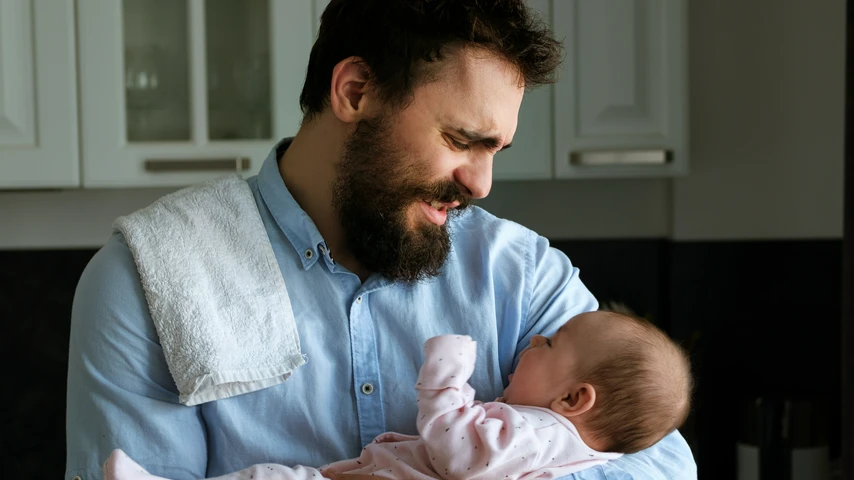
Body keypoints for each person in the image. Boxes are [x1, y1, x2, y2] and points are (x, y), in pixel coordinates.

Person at [65, 1, 697, 479]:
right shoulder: (149, 281)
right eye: (460, 140)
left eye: (496, 150)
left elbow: (656, 459)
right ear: (355, 92)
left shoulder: (522, 275)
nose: (481, 183)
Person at [103, 311, 693, 480]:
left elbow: (456, 453)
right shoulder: (573, 446)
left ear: (575, 399)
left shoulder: (541, 434)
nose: (531, 339)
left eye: (549, 343)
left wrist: (446, 377)